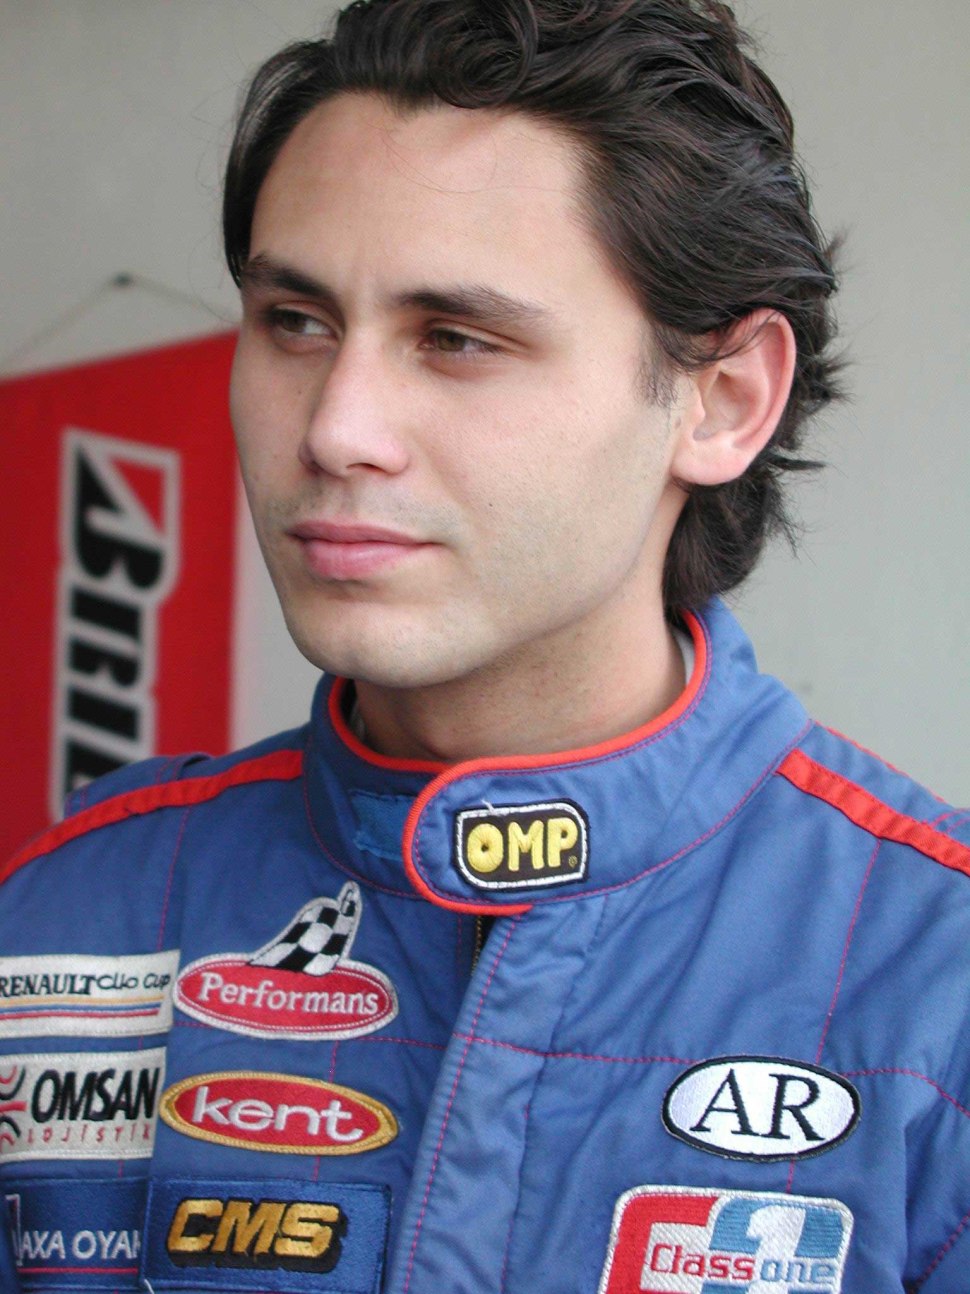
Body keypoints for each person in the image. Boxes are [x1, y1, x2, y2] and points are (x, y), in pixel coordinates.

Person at [1, 0, 967, 1290]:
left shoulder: (937, 982)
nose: (336, 428)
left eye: (457, 340)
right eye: (295, 321)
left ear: (724, 400)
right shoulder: (57, 921)